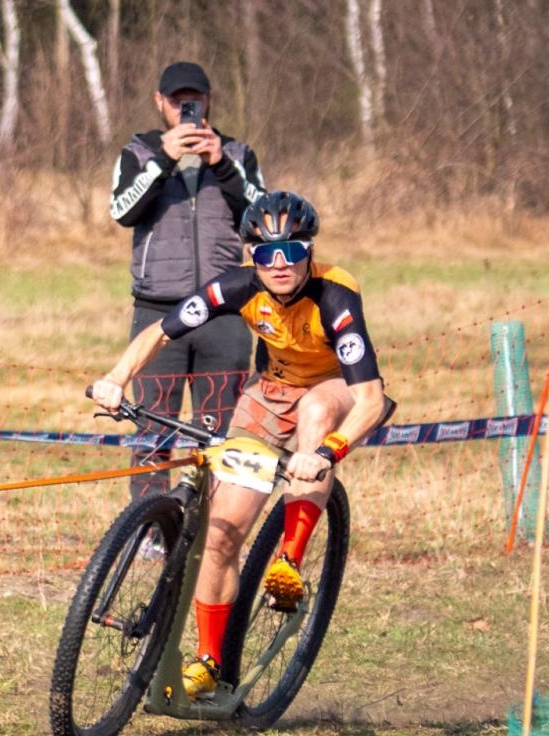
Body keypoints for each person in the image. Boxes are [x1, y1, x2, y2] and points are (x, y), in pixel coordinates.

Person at [89, 191, 390, 698]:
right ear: (252, 255)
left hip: (333, 388)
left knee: (316, 413)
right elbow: (161, 332)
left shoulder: (335, 295)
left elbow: (371, 400)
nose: (279, 264)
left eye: (291, 251)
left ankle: (288, 561)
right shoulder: (238, 286)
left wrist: (325, 454)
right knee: (222, 533)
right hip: (269, 393)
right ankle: (209, 660)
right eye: (266, 253)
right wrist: (116, 378)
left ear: (309, 252)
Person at [109, 61, 265, 500]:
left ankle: (214, 521)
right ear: (159, 102)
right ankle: (150, 525)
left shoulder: (238, 154)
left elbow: (263, 217)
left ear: (208, 101)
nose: (186, 110)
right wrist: (164, 159)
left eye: (193, 101)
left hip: (225, 310)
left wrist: (222, 165)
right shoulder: (138, 152)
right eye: (177, 102)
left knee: (220, 429)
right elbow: (123, 211)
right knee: (152, 428)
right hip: (158, 309)